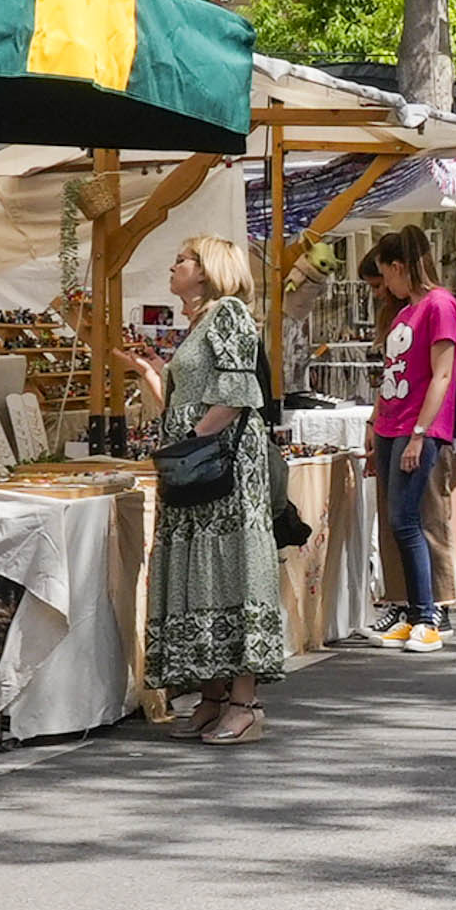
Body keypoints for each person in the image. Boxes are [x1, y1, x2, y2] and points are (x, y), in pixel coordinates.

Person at [128, 236, 290, 741]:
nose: (173, 266)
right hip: (196, 467)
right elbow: (184, 400)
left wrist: (191, 444)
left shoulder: (230, 314)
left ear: (206, 270)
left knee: (230, 571)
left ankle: (244, 703)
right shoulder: (200, 323)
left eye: (182, 259)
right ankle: (213, 696)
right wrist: (151, 376)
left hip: (221, 469)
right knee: (201, 574)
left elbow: (238, 394)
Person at [365, 227, 456, 654]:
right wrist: (375, 422)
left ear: (399, 267)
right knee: (397, 521)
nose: (386, 284)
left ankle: (426, 615)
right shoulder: (405, 312)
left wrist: (420, 433)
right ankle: (413, 612)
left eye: (387, 274)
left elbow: (443, 374)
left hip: (415, 427)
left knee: (407, 520)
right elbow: (391, 373)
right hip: (392, 424)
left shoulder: (440, 304)